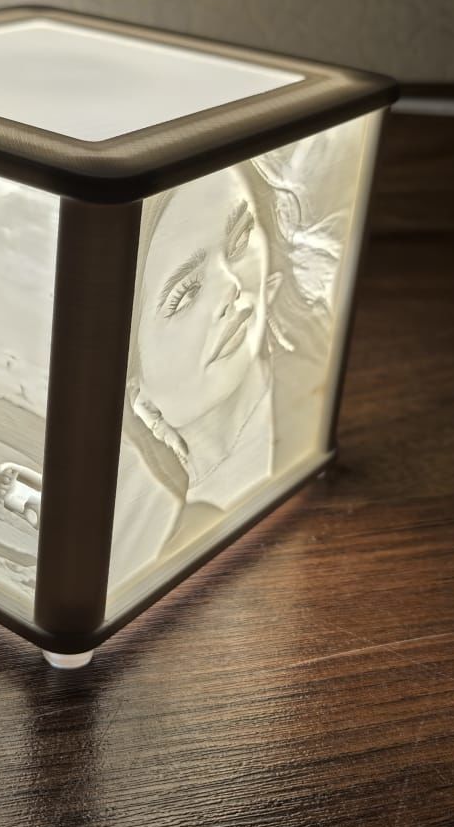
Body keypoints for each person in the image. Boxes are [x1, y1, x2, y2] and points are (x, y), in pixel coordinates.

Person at [109, 122, 364, 593]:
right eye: (184, 294)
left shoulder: (310, 398)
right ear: (133, 385)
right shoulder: (177, 542)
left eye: (241, 239)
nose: (229, 284)